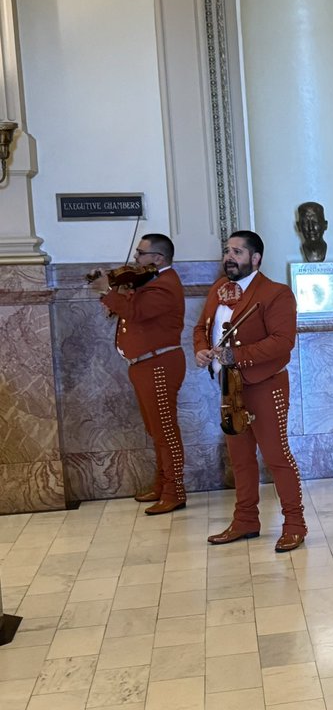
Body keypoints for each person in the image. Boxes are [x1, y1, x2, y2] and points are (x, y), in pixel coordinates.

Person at [196, 231, 308, 552]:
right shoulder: (219, 289)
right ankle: (245, 520)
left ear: (255, 258)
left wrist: (237, 356)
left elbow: (282, 341)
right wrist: (202, 349)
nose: (229, 257)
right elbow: (201, 328)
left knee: (276, 456)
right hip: (229, 386)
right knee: (240, 458)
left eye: (237, 252)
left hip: (264, 384)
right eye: (227, 251)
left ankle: (295, 524)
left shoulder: (275, 293)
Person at [90, 233, 187, 516]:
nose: (135, 258)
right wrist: (117, 292)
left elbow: (137, 312)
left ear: (158, 258)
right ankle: (162, 484)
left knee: (165, 430)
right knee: (155, 430)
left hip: (160, 365)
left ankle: (174, 491)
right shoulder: (150, 279)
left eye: (141, 253)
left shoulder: (166, 284)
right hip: (145, 365)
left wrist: (106, 292)